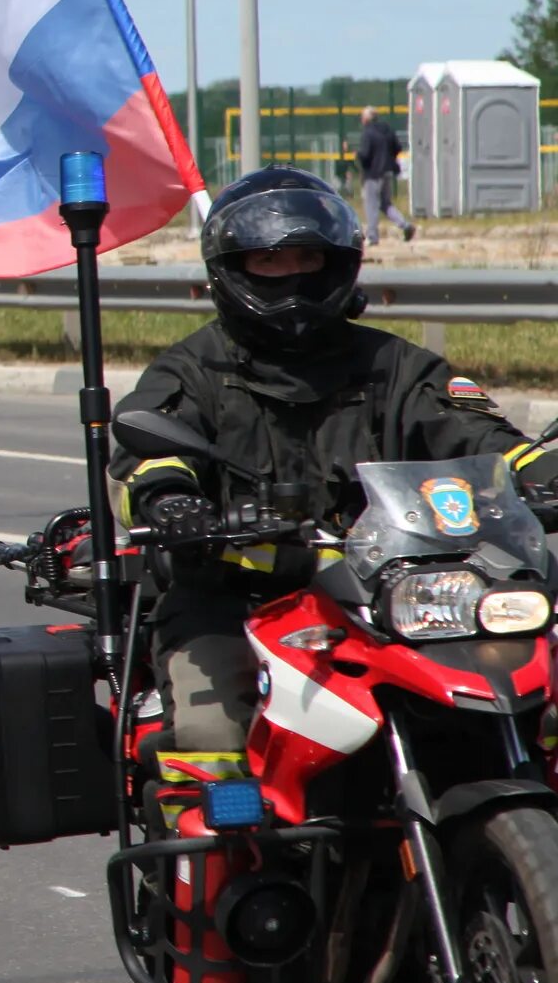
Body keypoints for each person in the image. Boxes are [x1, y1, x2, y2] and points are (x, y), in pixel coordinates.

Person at [114, 167, 552, 822]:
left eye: (307, 256)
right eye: (270, 259)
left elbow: (485, 438)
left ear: (338, 263)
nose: (292, 274)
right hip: (236, 599)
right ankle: (225, 902)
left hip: (389, 604)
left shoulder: (395, 366)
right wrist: (173, 503)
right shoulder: (193, 370)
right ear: (233, 269)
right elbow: (149, 459)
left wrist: (540, 471)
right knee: (214, 735)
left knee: (528, 693)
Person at [354, 106, 416, 246]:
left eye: (362, 117)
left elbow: (365, 155)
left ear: (367, 119)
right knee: (385, 204)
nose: (361, 119)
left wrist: (357, 156)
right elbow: (398, 148)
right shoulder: (387, 130)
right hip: (387, 172)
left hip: (373, 174)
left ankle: (373, 236)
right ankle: (405, 225)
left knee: (372, 205)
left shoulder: (368, 133)